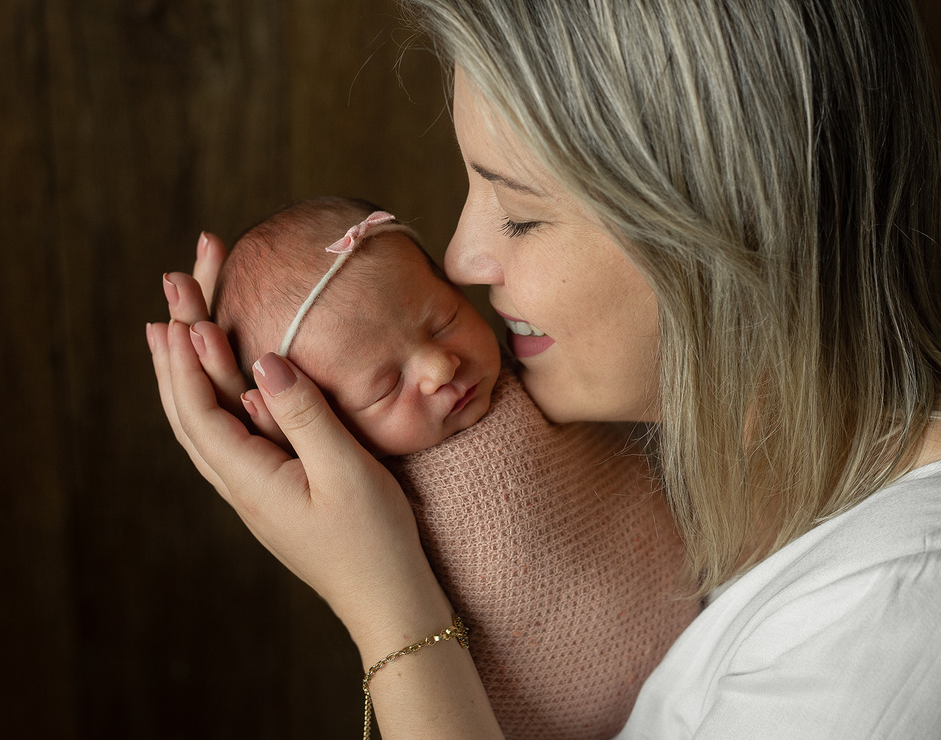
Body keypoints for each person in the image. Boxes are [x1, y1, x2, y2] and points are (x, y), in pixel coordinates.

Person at [147, 0, 941, 737]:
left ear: (722, 217)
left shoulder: (931, 624)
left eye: (521, 214)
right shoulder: (719, 470)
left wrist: (385, 602)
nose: (461, 255)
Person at [208, 195, 698, 738]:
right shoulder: (375, 499)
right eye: (385, 385)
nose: (441, 365)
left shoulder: (551, 375)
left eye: (442, 321)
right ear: (324, 428)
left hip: (698, 608)